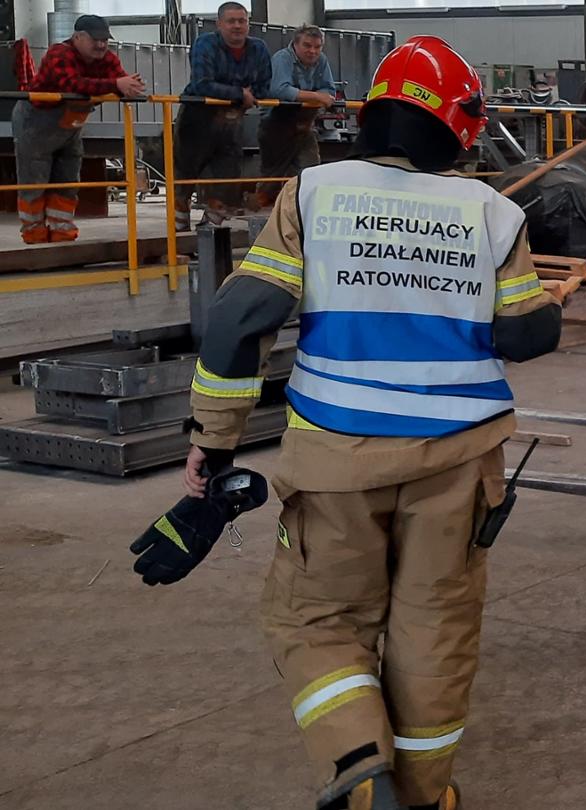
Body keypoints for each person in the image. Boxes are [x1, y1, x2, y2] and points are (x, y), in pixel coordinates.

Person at [182, 36, 559, 810]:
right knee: (434, 632)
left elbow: (236, 324)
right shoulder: (493, 213)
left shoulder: (312, 194)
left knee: (317, 620)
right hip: (458, 469)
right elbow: (524, 334)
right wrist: (541, 302)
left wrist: (210, 445)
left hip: (333, 465)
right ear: (457, 124)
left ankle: (359, 774)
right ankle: (424, 796)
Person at [11, 15, 144, 243]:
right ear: (78, 37)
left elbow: (120, 79)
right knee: (34, 180)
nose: (101, 45)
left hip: (69, 126)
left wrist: (128, 85)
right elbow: (72, 85)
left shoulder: (107, 59)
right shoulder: (59, 54)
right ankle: (34, 233)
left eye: (105, 40)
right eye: (96, 39)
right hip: (35, 123)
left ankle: (62, 231)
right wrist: (115, 85)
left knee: (69, 177)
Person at [176, 1, 271, 229]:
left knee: (228, 179)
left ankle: (209, 231)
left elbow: (264, 87)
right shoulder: (204, 44)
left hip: (232, 122)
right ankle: (178, 232)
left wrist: (240, 98)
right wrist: (239, 93)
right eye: (231, 21)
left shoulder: (258, 49)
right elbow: (201, 84)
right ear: (219, 24)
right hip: (196, 119)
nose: (237, 26)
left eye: (242, 21)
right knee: (184, 173)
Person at [256, 24, 337, 209]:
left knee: (311, 171)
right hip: (275, 126)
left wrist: (319, 96)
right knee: (271, 179)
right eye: (307, 46)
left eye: (317, 47)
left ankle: (307, 212)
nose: (313, 51)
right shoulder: (282, 59)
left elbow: (329, 89)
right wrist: (316, 96)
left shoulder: (321, 61)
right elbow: (280, 89)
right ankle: (261, 215)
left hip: (304, 126)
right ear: (295, 44)